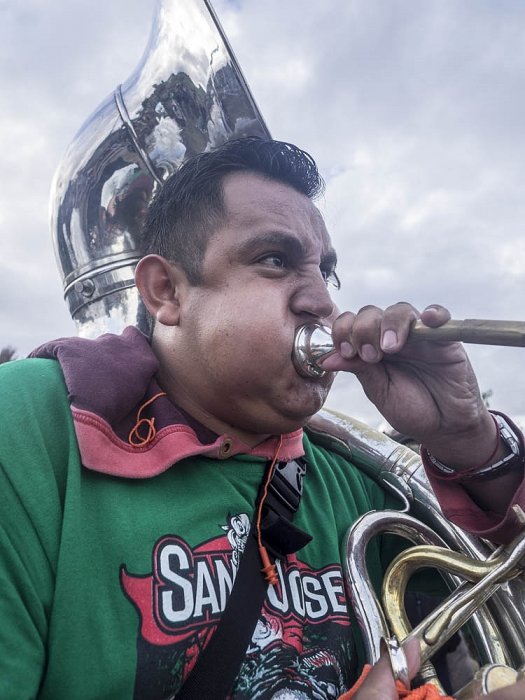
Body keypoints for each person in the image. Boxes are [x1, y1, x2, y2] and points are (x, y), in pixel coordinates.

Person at [1, 137, 524, 700]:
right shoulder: (31, 426)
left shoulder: (354, 476)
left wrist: (469, 441)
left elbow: (498, 603)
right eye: (274, 260)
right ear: (166, 290)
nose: (322, 301)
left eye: (327, 272)